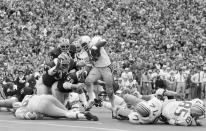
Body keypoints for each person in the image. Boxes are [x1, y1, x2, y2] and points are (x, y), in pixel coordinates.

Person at [79, 36, 116, 117]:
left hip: (106, 66)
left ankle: (114, 108)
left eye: (85, 44)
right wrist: (85, 71)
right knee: (88, 80)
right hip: (97, 68)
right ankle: (92, 99)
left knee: (109, 90)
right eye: (82, 45)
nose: (84, 46)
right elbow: (88, 65)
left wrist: (96, 46)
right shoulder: (84, 53)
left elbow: (104, 41)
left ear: (89, 41)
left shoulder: (95, 41)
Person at [13, 94, 98, 121]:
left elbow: (29, 115)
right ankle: (76, 111)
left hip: (42, 105)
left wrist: (30, 115)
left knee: (66, 114)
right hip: (48, 97)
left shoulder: (20, 109)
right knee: (66, 111)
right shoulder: (28, 96)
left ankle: (82, 115)